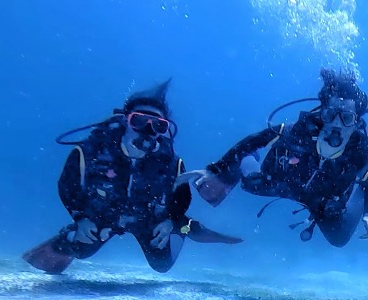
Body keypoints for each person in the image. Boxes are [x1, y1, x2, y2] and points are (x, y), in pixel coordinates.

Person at [179, 69, 368, 247]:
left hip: (321, 199)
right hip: (283, 182)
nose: (337, 124)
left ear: (356, 122)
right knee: (250, 183)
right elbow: (257, 138)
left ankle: (359, 185)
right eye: (330, 115)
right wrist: (217, 168)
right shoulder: (298, 132)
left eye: (346, 118)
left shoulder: (357, 151)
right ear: (321, 114)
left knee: (339, 238)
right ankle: (244, 165)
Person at [23, 80, 241, 275]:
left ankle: (185, 228)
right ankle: (68, 238)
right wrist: (80, 218)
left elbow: (181, 198)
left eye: (158, 125)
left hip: (148, 220)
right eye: (139, 121)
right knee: (81, 250)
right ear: (125, 121)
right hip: (102, 217)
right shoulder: (89, 152)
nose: (147, 130)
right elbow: (67, 187)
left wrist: (169, 220)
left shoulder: (171, 163)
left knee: (162, 264)